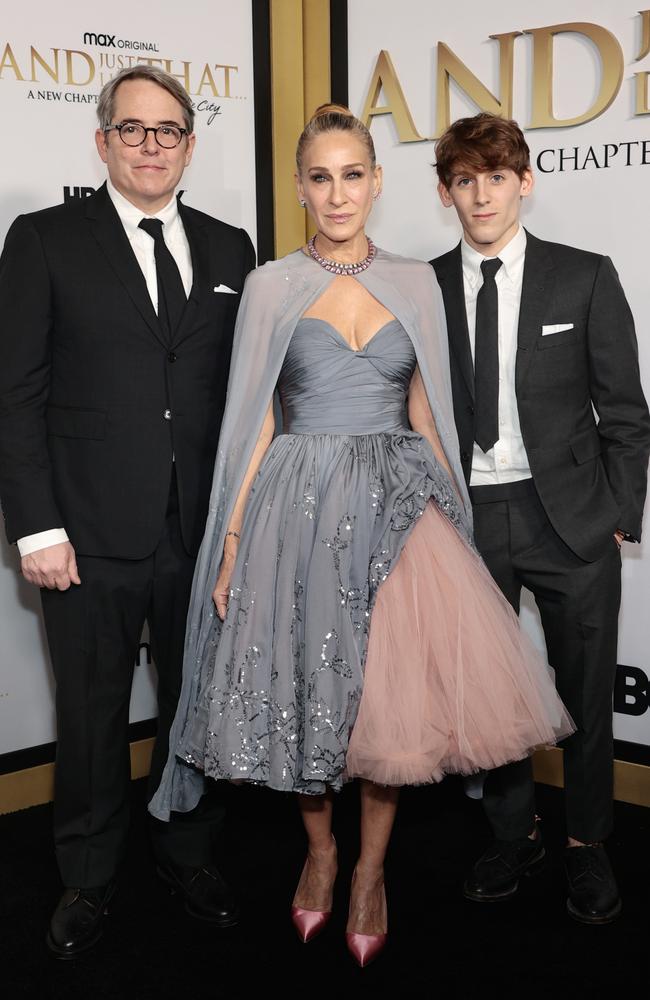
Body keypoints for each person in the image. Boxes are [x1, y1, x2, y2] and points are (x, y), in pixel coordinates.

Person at [150, 104, 572, 967]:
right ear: (301, 188)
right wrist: (231, 542)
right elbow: (256, 421)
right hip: (292, 508)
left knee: (391, 703)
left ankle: (372, 870)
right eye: (319, 177)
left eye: (353, 175)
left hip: (398, 506)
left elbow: (427, 410)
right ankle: (321, 853)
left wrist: (454, 522)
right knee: (308, 693)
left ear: (377, 182)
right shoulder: (271, 284)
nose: (337, 193)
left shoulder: (418, 281)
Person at [0, 65, 255, 958]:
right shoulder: (43, 239)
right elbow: (16, 393)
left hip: (200, 532)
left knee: (197, 711)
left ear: (191, 143)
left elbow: (245, 396)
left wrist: (240, 528)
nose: (153, 146)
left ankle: (189, 851)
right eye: (134, 130)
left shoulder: (233, 249)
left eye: (170, 130)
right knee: (93, 716)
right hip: (84, 536)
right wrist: (36, 526)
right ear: (103, 141)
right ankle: (87, 875)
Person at [430, 112, 650, 924]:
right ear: (444, 190)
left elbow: (625, 410)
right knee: (491, 699)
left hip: (572, 519)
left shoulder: (585, 276)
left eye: (496, 177)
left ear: (525, 182)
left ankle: (587, 847)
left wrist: (620, 514)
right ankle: (512, 832)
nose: (480, 194)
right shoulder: (422, 286)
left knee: (587, 694)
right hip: (468, 519)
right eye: (464, 179)